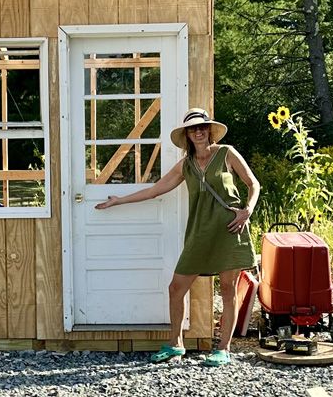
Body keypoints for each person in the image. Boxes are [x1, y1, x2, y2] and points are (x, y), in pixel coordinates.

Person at [95, 108, 259, 367]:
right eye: (193, 128)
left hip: (230, 229)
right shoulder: (186, 165)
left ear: (209, 130)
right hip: (200, 232)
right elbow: (155, 190)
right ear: (187, 135)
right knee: (176, 288)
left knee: (228, 289)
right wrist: (119, 201)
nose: (198, 131)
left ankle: (223, 349)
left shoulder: (226, 153)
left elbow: (253, 183)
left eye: (202, 127)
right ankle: (175, 344)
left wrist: (247, 210)